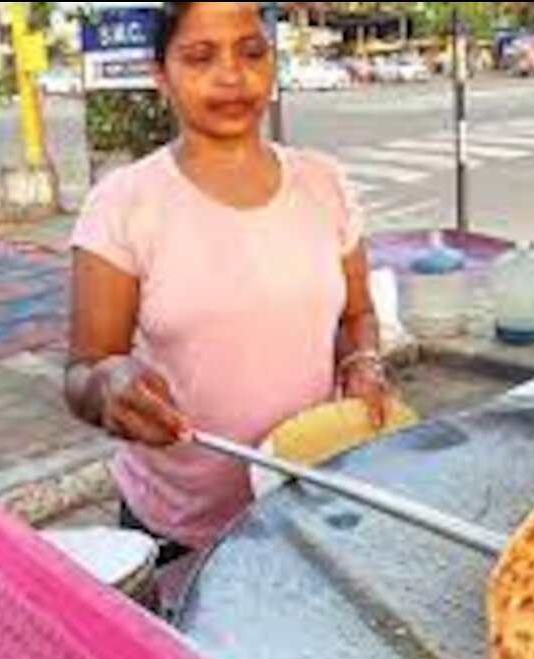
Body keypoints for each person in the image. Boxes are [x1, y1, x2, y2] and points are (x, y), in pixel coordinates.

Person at [65, 1, 392, 561]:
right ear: (160, 76)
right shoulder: (124, 204)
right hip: (176, 527)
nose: (232, 75)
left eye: (251, 51)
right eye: (199, 57)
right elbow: (83, 369)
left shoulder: (323, 183)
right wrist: (106, 387)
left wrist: (362, 362)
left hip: (305, 499)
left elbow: (356, 315)